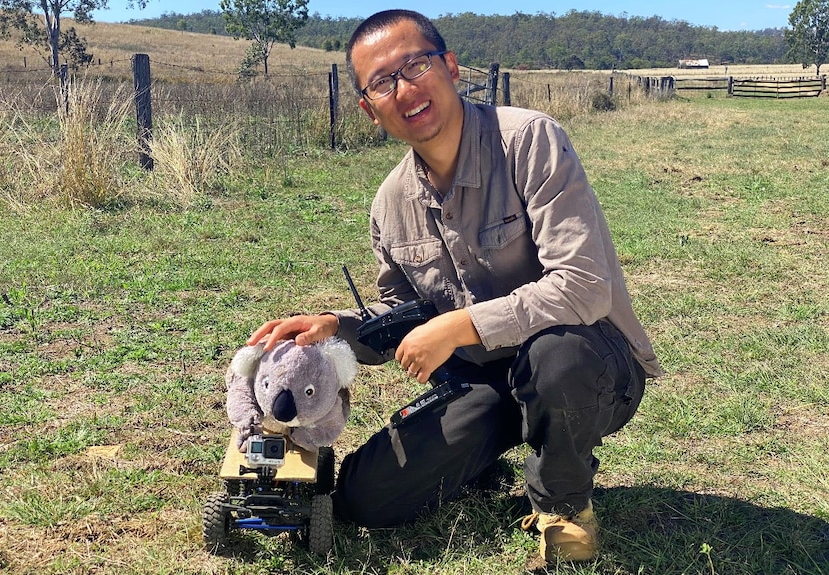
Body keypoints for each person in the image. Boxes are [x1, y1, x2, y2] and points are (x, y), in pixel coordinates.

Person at [247, 9, 662, 565]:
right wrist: (337, 328)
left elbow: (585, 286)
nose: (405, 89)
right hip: (486, 379)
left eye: (415, 65)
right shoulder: (390, 205)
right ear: (371, 111)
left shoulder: (528, 140)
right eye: (382, 82)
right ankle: (486, 449)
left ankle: (564, 507)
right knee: (364, 498)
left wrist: (460, 325)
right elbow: (402, 315)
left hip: (590, 362)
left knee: (555, 356)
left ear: (450, 66)